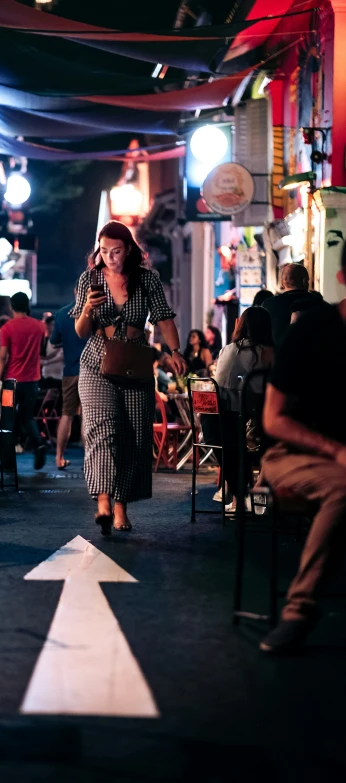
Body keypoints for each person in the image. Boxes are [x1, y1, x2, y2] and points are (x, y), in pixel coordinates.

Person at [73, 220, 187, 535]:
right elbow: (81, 332)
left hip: (135, 364)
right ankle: (104, 502)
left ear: (128, 250)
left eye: (117, 251)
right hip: (96, 362)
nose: (110, 257)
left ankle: (122, 505)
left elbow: (164, 318)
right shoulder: (90, 279)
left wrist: (175, 351)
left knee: (134, 439)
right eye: (105, 251)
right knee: (102, 430)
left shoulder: (147, 279)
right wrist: (86, 309)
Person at [258, 246, 346, 654]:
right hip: (291, 455)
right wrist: (333, 448)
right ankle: (300, 609)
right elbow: (273, 420)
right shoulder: (313, 330)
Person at [201, 307, 274, 503]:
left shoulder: (228, 349)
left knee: (230, 444)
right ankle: (250, 492)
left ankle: (237, 493)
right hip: (251, 425)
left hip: (219, 426)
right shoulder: (267, 353)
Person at [0, 291, 47, 470]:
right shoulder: (40, 326)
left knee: (7, 420)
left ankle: (7, 461)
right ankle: (39, 443)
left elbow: (2, 356)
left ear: (11, 307)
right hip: (32, 381)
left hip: (11, 383)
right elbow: (42, 351)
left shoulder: (7, 328)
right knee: (28, 416)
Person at [51, 291, 87, 470]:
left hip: (71, 371)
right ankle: (89, 461)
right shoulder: (96, 310)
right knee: (89, 417)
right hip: (93, 372)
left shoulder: (62, 313)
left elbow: (54, 340)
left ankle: (59, 457)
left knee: (67, 415)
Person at [262, 264, 323, 347]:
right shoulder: (320, 305)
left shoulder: (267, 305)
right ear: (304, 281)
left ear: (282, 283)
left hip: (277, 358)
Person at [41, 315, 64, 387]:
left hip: (59, 376)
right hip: (46, 375)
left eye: (54, 325)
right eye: (50, 324)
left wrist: (47, 362)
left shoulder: (62, 340)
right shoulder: (43, 341)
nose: (52, 327)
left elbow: (62, 356)